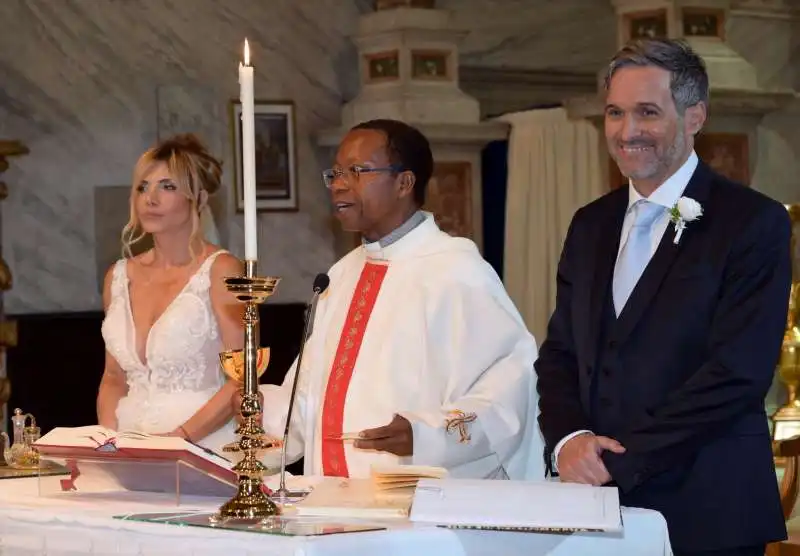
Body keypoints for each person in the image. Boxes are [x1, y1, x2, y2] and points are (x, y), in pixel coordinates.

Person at [535, 37, 790, 555]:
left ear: (695, 116)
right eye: (614, 112)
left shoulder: (752, 222)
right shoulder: (590, 224)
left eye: (647, 112)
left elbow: (737, 373)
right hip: (594, 510)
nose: (627, 132)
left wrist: (621, 461)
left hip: (708, 509)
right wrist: (567, 442)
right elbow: (561, 353)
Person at [252, 118, 542, 480]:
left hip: (416, 502)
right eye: (336, 172)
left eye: (357, 171)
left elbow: (508, 387)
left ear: (405, 182)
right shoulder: (341, 275)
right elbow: (309, 390)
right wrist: (261, 413)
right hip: (329, 498)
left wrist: (427, 434)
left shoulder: (455, 271)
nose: (339, 185)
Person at [97, 133, 245, 456]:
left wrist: (178, 440)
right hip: (129, 449)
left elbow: (242, 379)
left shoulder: (222, 271)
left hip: (202, 446)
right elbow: (113, 378)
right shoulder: (118, 277)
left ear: (200, 200)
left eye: (167, 187)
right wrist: (109, 443)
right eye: (143, 187)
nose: (150, 198)